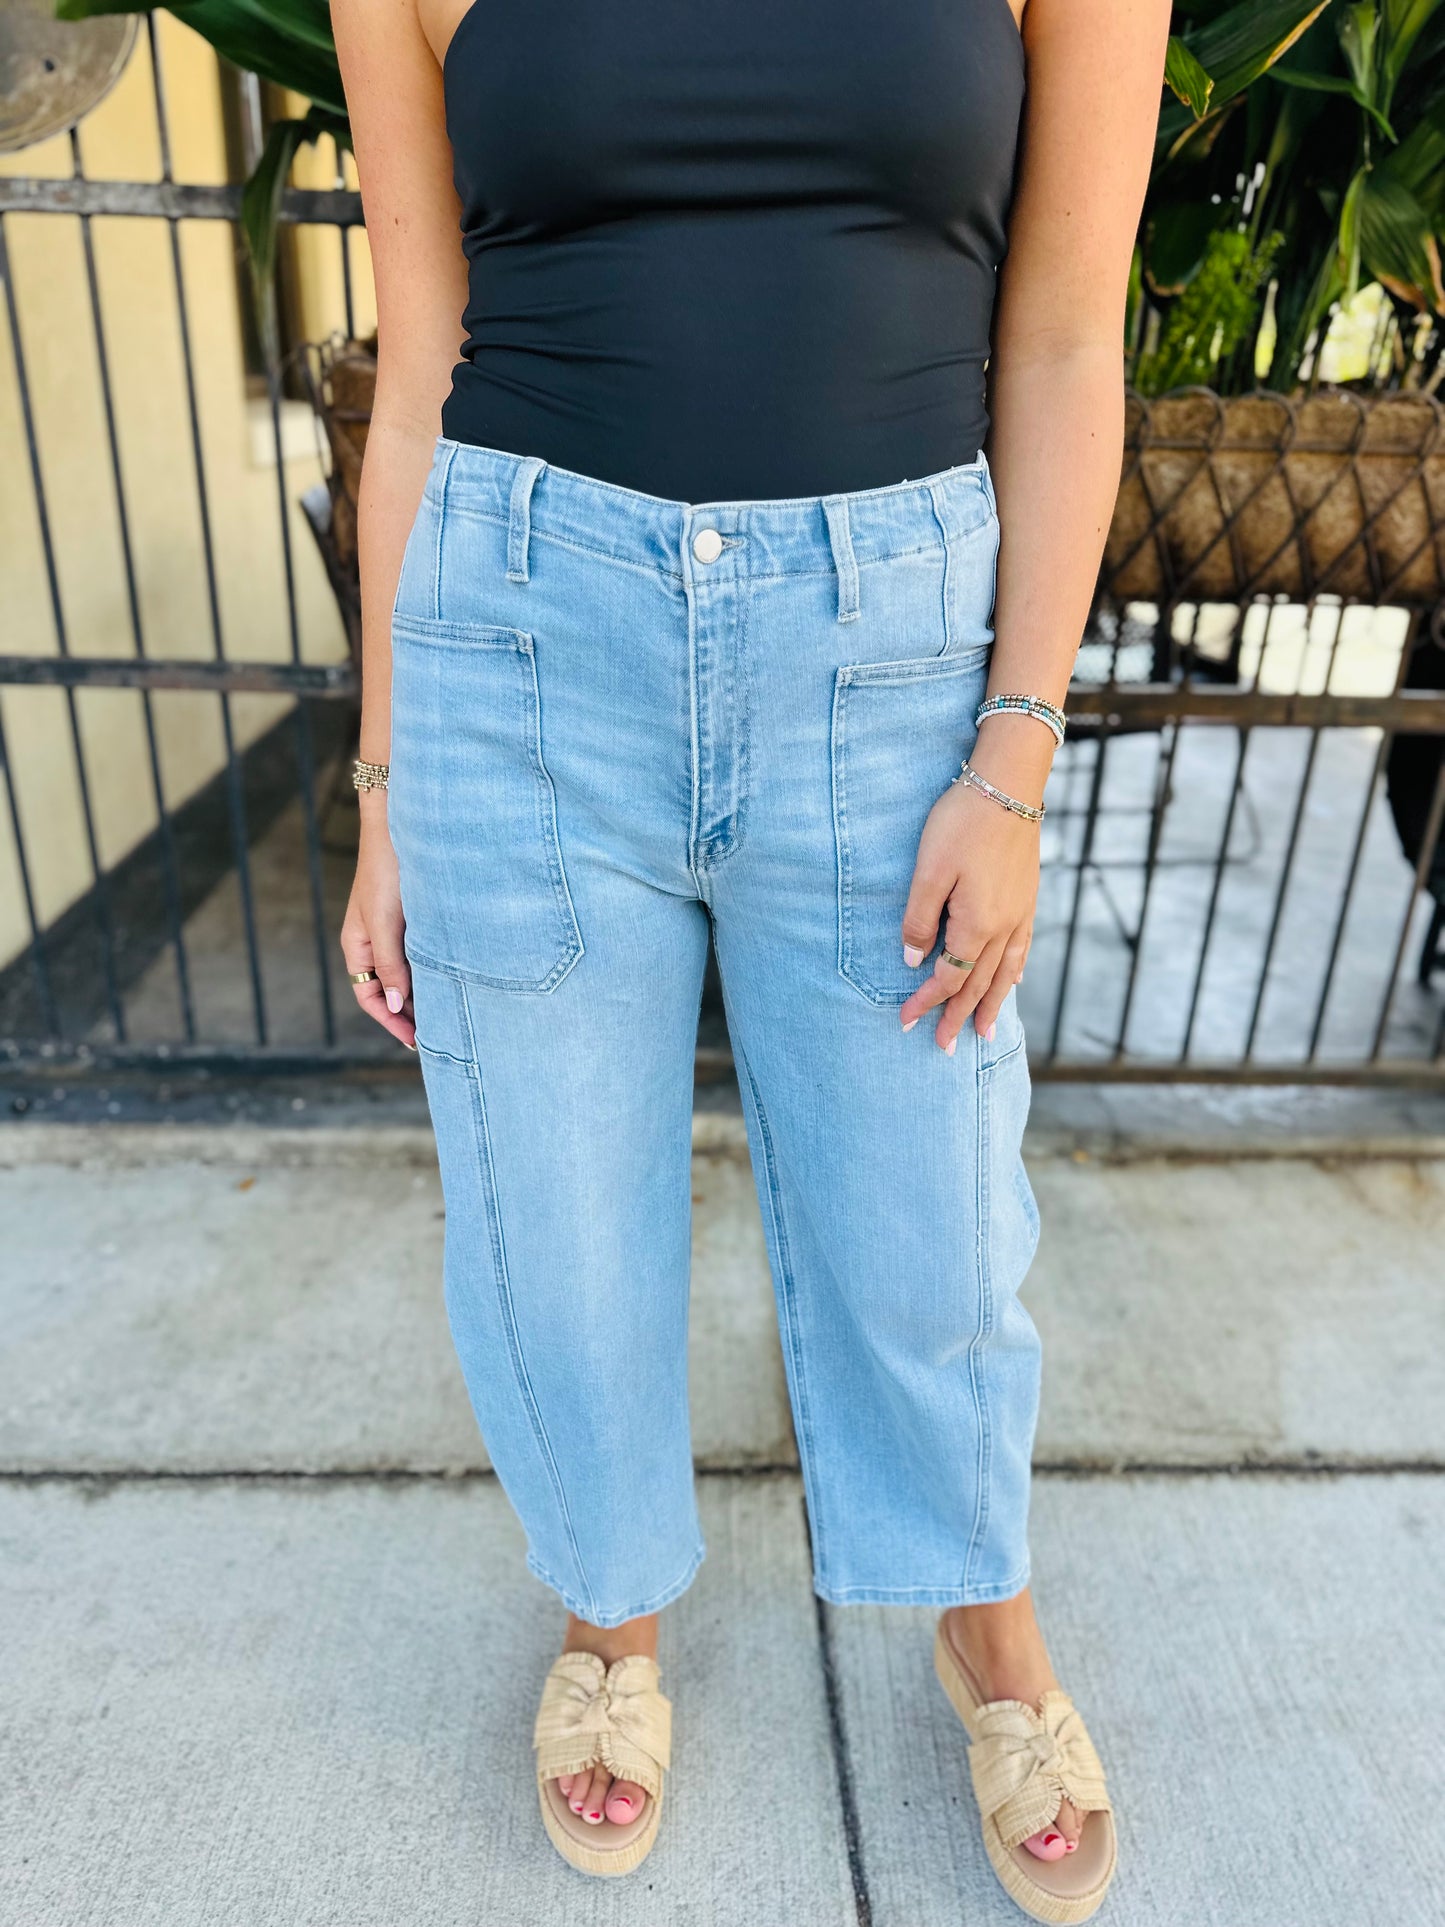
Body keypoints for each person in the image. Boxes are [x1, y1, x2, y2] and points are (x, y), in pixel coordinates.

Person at [333, 0, 1167, 1915]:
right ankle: (608, 1616)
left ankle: (983, 1614)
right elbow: (419, 365)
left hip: (887, 659)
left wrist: (1015, 753)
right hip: (520, 645)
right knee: (549, 1217)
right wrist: (382, 783)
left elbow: (1060, 340)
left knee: (928, 1215)